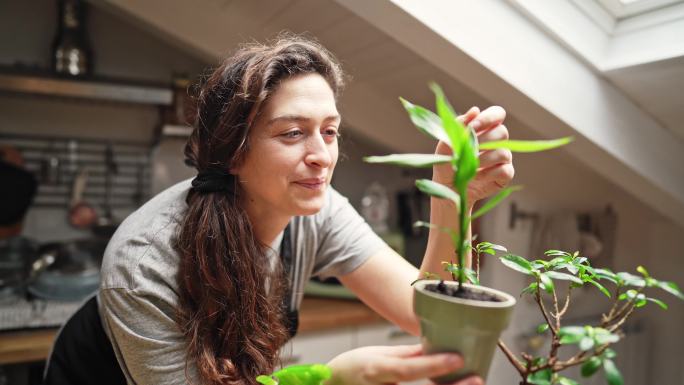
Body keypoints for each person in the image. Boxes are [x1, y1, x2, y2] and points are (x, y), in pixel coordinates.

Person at [48, 34, 513, 385]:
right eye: (293, 133)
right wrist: (329, 379)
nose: (322, 156)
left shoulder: (319, 210)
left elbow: (428, 314)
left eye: (329, 132)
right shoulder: (146, 263)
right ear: (233, 152)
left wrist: (454, 196)